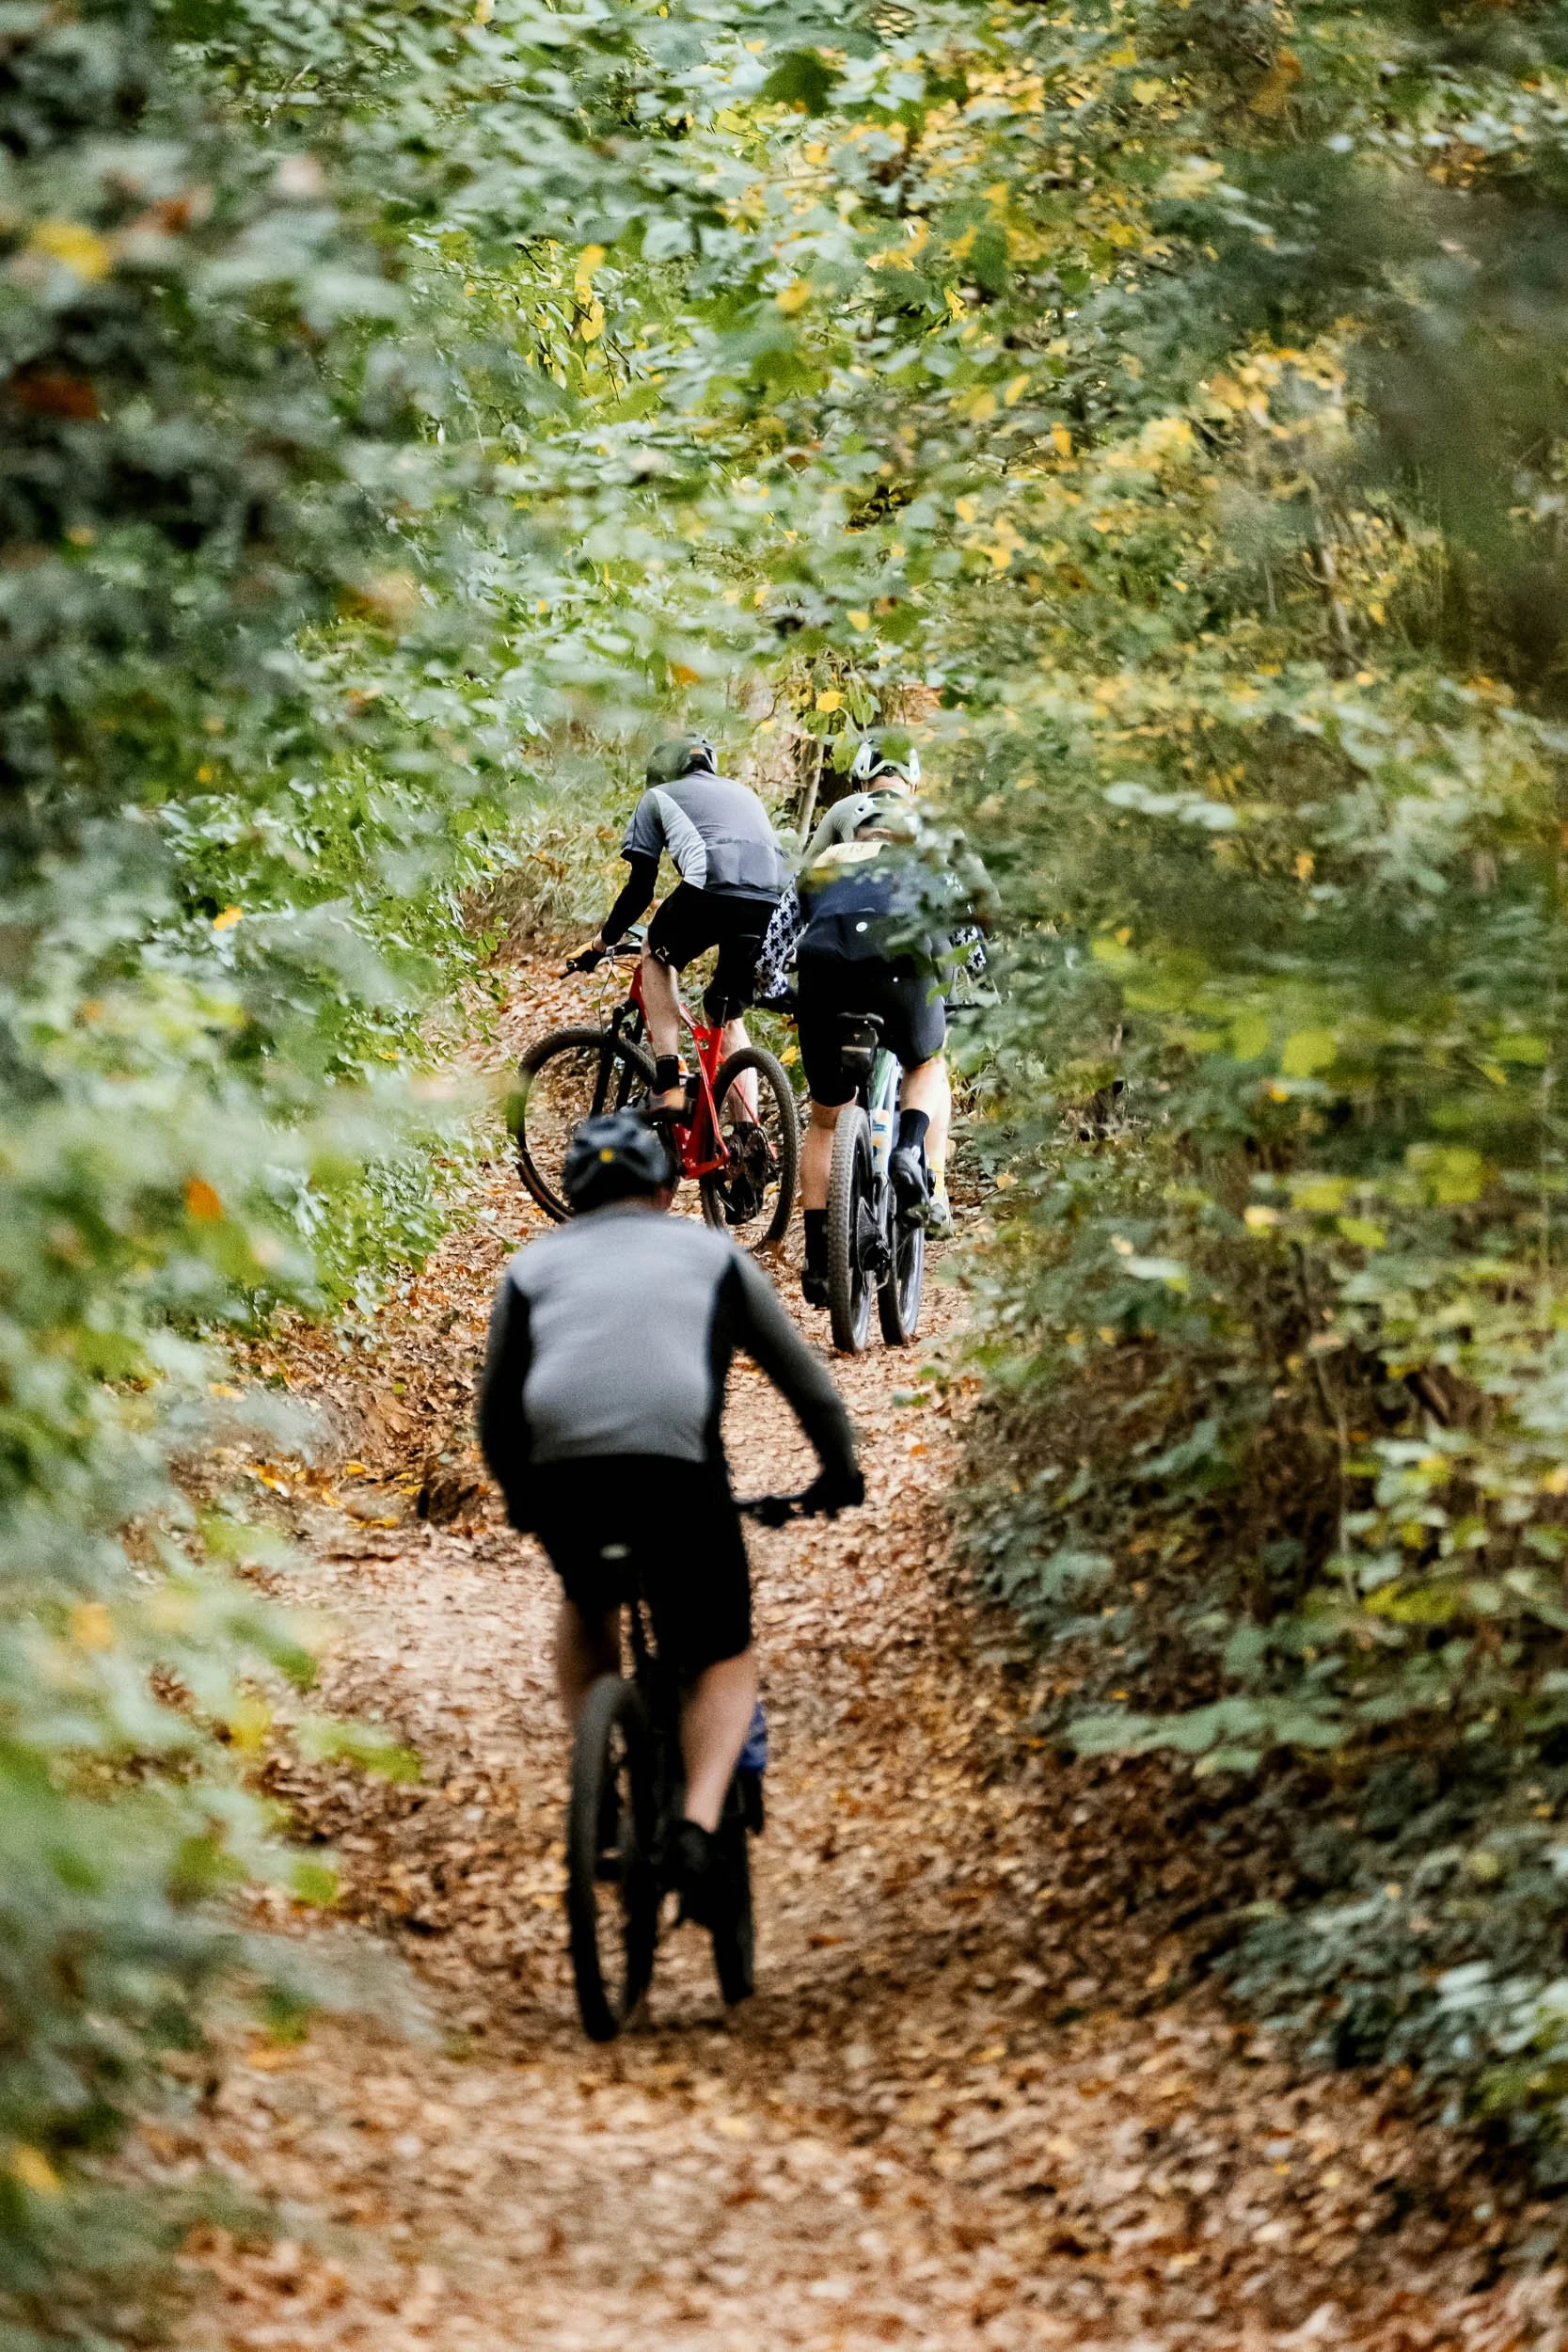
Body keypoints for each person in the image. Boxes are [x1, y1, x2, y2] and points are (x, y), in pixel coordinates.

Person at [477, 1107, 863, 1929]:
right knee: (722, 1653)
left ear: (574, 1198)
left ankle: (603, 1781)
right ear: (664, 1188)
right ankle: (694, 1826)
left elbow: (496, 1412)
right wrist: (837, 1469)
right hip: (676, 1477)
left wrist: (520, 1498)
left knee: (587, 1601)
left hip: (566, 1479)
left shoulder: (533, 1267)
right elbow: (804, 1382)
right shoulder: (709, 1253)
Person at [784, 735, 982, 1303]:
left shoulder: (830, 847)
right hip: (905, 967)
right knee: (927, 1060)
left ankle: (820, 1262)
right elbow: (967, 930)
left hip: (826, 970)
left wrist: (776, 988)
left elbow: (785, 923)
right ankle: (909, 1150)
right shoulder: (930, 848)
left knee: (824, 1120)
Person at [568, 737, 787, 1114]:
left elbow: (640, 890)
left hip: (712, 887)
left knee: (655, 953)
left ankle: (668, 1082)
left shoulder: (659, 796)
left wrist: (600, 945)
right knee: (727, 1017)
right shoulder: (743, 793)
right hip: (773, 900)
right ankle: (746, 1141)